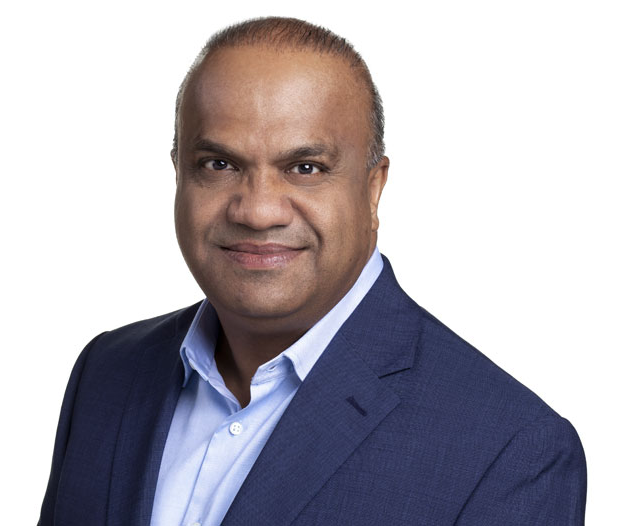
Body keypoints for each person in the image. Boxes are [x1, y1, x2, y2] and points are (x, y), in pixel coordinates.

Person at [39, 16, 586, 526]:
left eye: (305, 168)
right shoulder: (106, 372)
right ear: (179, 174)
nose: (257, 211)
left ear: (373, 189)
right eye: (219, 164)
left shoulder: (510, 450)